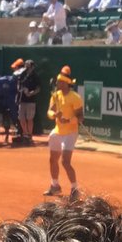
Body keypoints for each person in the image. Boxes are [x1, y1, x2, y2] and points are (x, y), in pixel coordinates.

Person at [45, 67, 83, 196]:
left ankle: (75, 188)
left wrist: (70, 120)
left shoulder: (75, 97)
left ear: (67, 83)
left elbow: (81, 117)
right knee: (52, 159)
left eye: (60, 82)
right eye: (58, 81)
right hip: (57, 132)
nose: (58, 84)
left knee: (65, 162)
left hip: (70, 133)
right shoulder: (55, 96)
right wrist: (54, 114)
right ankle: (55, 185)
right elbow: (49, 111)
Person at [15, 59, 40, 147]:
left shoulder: (35, 76)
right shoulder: (22, 75)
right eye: (26, 65)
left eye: (28, 66)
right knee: (21, 118)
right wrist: (22, 90)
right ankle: (25, 134)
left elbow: (38, 88)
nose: (27, 67)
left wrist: (31, 93)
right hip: (22, 100)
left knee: (29, 118)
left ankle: (29, 135)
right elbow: (18, 85)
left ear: (32, 67)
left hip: (31, 101)